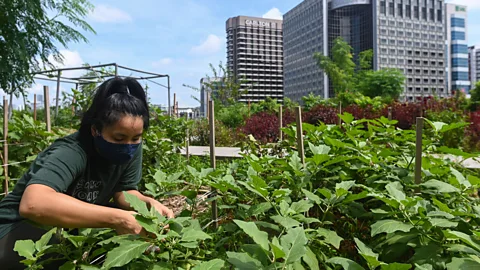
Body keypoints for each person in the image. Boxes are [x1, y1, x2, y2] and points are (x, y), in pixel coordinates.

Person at [0, 77, 174, 269]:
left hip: (67, 228)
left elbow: (124, 192)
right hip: (16, 229)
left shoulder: (132, 148)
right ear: (95, 130)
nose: (128, 145)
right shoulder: (72, 151)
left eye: (136, 138)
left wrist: (148, 204)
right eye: (119, 137)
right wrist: (118, 219)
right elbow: (34, 204)